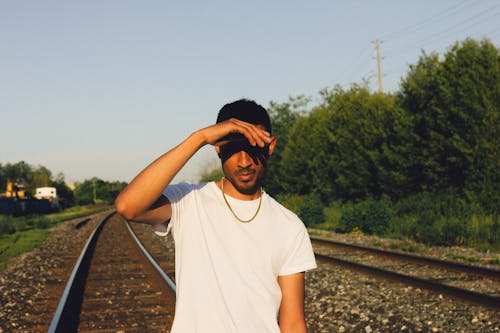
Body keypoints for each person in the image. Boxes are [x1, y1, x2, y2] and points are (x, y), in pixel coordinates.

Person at [115, 99, 317, 332]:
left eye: (254, 148)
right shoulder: (189, 201)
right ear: (218, 148)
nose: (244, 162)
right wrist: (199, 138)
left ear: (270, 146)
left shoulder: (289, 226)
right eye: (233, 148)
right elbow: (128, 206)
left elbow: (293, 323)